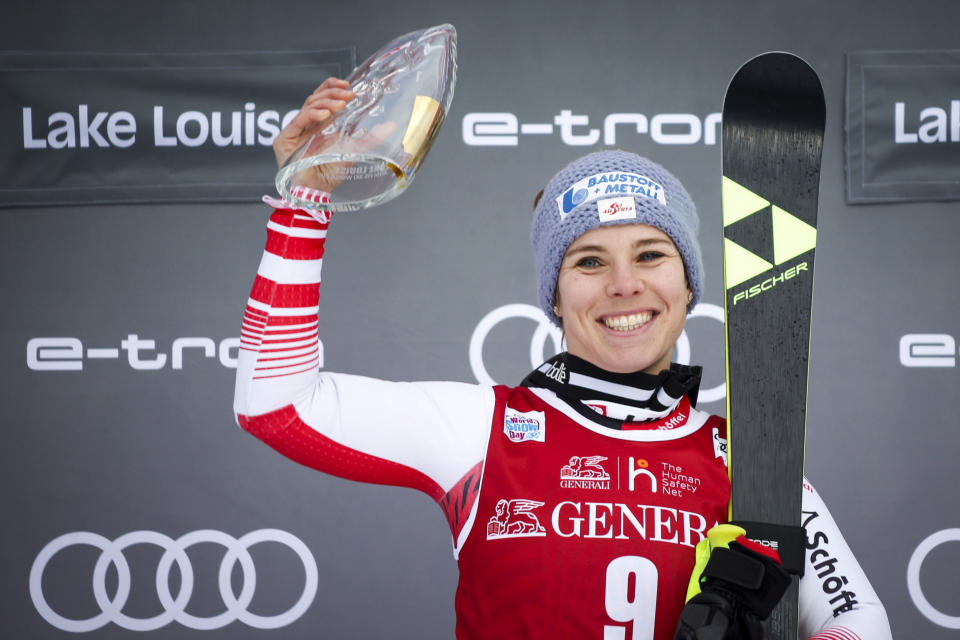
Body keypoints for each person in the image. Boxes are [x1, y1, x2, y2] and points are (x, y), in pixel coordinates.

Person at [234, 78, 892, 639]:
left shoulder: (749, 463)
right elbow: (278, 405)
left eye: (651, 254)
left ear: (689, 284)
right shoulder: (483, 432)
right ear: (554, 293)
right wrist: (306, 199)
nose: (624, 285)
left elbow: (859, 618)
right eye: (589, 261)